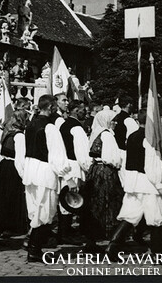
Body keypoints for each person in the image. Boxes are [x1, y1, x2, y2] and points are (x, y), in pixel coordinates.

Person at [106, 110, 162, 259]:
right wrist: (160, 186)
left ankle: (112, 247)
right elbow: (151, 165)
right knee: (157, 217)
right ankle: (158, 254)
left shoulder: (133, 136)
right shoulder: (149, 139)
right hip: (147, 184)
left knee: (130, 216)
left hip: (133, 182)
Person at [23, 95, 70, 262]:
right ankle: (34, 249)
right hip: (44, 171)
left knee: (36, 209)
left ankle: (33, 244)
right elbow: (57, 155)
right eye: (55, 107)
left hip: (30, 170)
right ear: (50, 107)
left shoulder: (30, 125)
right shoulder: (50, 127)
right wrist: (66, 174)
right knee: (45, 211)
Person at [0, 107, 29, 246]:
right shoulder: (20, 136)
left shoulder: (7, 133)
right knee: (10, 201)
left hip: (4, 167)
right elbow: (20, 159)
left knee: (0, 200)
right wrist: (24, 176)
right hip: (13, 169)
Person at [82, 108, 123, 250]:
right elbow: (113, 158)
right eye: (113, 120)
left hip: (95, 171)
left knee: (94, 203)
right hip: (106, 172)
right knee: (108, 202)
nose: (115, 123)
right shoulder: (107, 136)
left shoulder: (94, 134)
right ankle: (110, 238)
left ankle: (92, 238)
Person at [58, 100, 92, 244]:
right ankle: (64, 233)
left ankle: (64, 230)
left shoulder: (63, 125)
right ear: (75, 110)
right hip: (73, 166)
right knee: (71, 200)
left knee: (64, 199)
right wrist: (88, 167)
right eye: (83, 110)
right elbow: (82, 152)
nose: (86, 112)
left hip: (64, 165)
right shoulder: (77, 128)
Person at [112, 94, 139, 182]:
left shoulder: (116, 118)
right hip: (125, 154)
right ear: (128, 104)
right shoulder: (128, 120)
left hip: (116, 152)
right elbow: (135, 139)